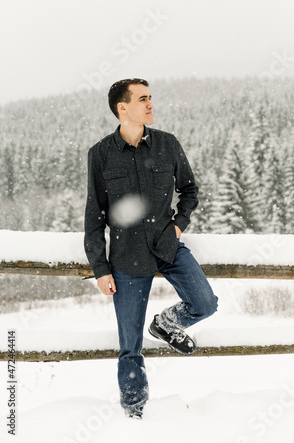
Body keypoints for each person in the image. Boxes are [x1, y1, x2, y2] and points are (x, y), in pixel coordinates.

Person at [84, 78, 218, 419]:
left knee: (205, 303)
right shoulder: (100, 155)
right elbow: (94, 215)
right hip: (126, 258)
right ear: (122, 108)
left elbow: (190, 191)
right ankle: (134, 415)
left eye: (151, 98)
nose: (151, 105)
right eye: (143, 99)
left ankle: (166, 323)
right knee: (130, 348)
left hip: (167, 246)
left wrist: (177, 226)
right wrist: (100, 268)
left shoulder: (168, 145)